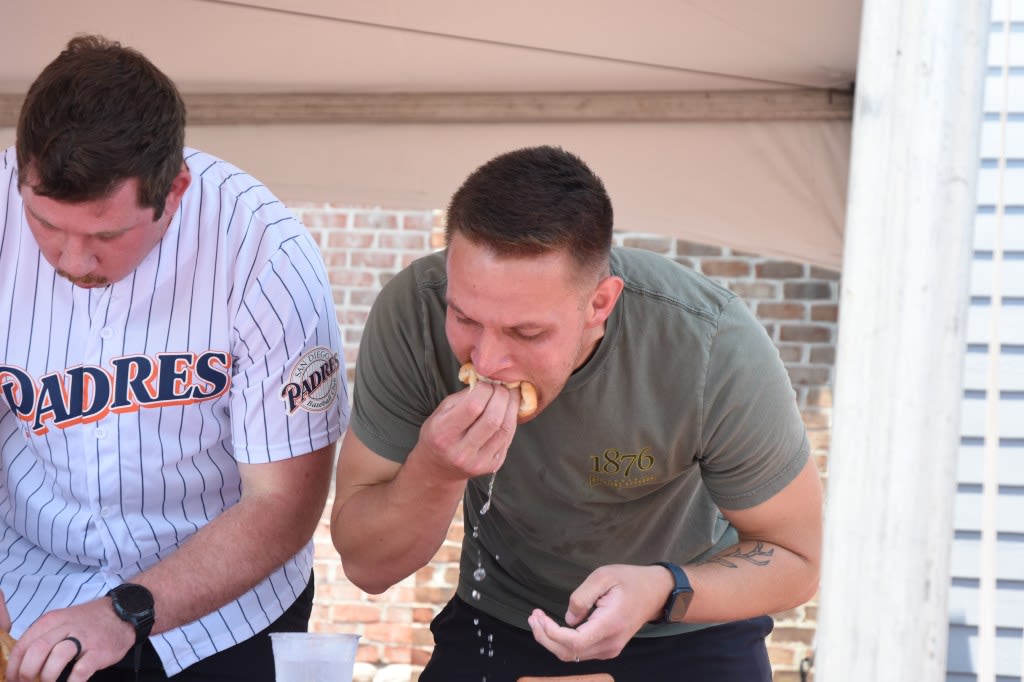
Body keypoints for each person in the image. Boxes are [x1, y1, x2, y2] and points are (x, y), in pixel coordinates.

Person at [330, 145, 823, 681]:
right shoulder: (411, 311)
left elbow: (796, 560)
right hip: (500, 614)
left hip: (689, 620)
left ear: (600, 305)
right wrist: (436, 468)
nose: (488, 360)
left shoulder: (711, 345)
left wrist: (661, 587)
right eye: (465, 317)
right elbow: (367, 567)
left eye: (527, 332)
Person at [0, 35, 347, 682]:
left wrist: (125, 611)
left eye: (107, 234)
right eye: (45, 225)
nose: (73, 262)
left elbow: (283, 504)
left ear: (176, 189)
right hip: (31, 585)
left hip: (226, 610)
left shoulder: (266, 256)